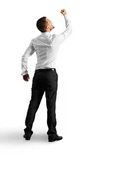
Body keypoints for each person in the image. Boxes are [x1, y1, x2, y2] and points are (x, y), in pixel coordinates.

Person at [21, 9, 72, 142]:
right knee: (51, 104)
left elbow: (25, 56)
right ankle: (52, 134)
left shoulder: (35, 40)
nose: (52, 22)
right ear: (48, 26)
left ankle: (27, 132)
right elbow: (69, 30)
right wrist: (65, 15)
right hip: (50, 75)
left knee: (34, 102)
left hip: (38, 75)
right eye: (50, 21)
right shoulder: (56, 38)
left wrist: (25, 72)